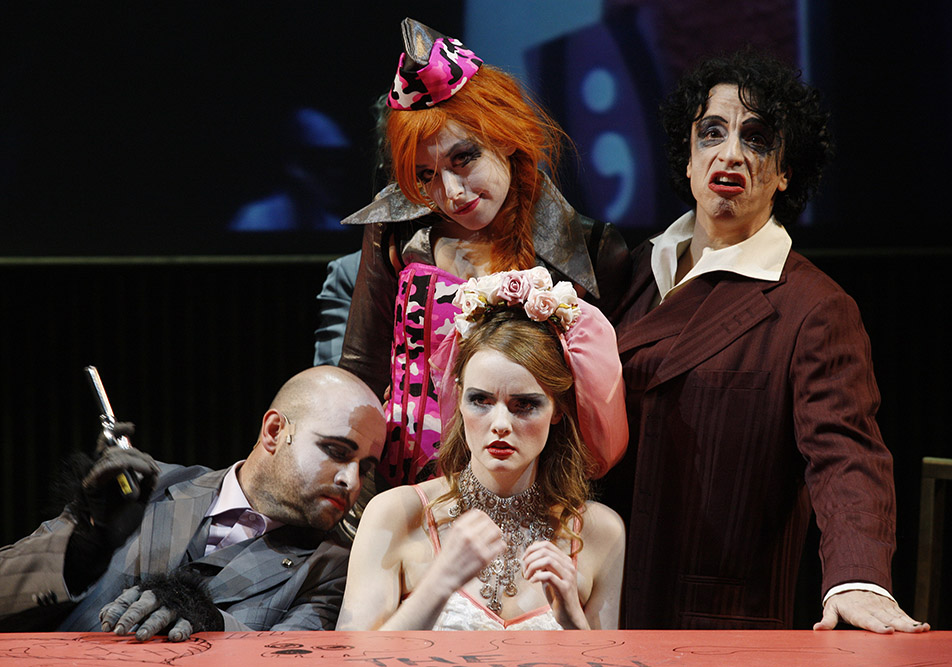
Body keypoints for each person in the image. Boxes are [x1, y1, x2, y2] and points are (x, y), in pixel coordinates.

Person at [602, 50, 929, 633]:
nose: (730, 153)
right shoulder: (628, 277)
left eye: (757, 139)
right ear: (688, 156)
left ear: (786, 172)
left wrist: (859, 579)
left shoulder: (814, 309)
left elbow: (845, 454)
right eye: (713, 133)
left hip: (716, 626)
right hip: (598, 605)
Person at [339, 18, 629, 489]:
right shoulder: (396, 234)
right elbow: (361, 373)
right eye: (427, 174)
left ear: (508, 135)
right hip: (404, 489)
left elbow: (601, 410)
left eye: (464, 158)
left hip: (530, 495)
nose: (450, 192)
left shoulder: (593, 251)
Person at [0, 366, 385, 640]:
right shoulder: (150, 485)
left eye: (365, 467)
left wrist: (211, 621)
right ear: (275, 431)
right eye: (336, 451)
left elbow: (289, 658)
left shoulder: (332, 569)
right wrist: (86, 543)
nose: (351, 480)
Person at [337, 268, 628, 631]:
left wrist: (571, 618)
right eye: (481, 400)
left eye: (525, 405)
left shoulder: (600, 532)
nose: (501, 423)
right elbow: (351, 659)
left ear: (559, 409)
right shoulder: (396, 514)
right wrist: (439, 582)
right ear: (458, 398)